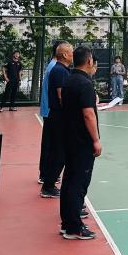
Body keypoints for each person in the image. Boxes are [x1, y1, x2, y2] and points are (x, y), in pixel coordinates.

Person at [59, 46, 101, 240]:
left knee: (69, 180)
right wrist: (96, 140)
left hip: (69, 137)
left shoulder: (69, 80)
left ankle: (67, 223)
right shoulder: (85, 84)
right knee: (78, 183)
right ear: (89, 61)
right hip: (82, 140)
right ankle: (74, 227)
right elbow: (88, 114)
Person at [40, 42, 73, 198]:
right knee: (59, 152)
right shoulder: (59, 71)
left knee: (58, 151)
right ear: (65, 55)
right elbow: (62, 96)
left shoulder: (61, 70)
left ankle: (49, 183)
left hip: (57, 115)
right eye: (71, 52)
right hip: (59, 116)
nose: (73, 54)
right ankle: (48, 185)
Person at [38, 40, 66, 184]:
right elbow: (60, 94)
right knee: (51, 144)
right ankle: (46, 174)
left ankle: (46, 173)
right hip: (51, 110)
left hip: (48, 109)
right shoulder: (56, 67)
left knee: (50, 143)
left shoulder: (53, 66)